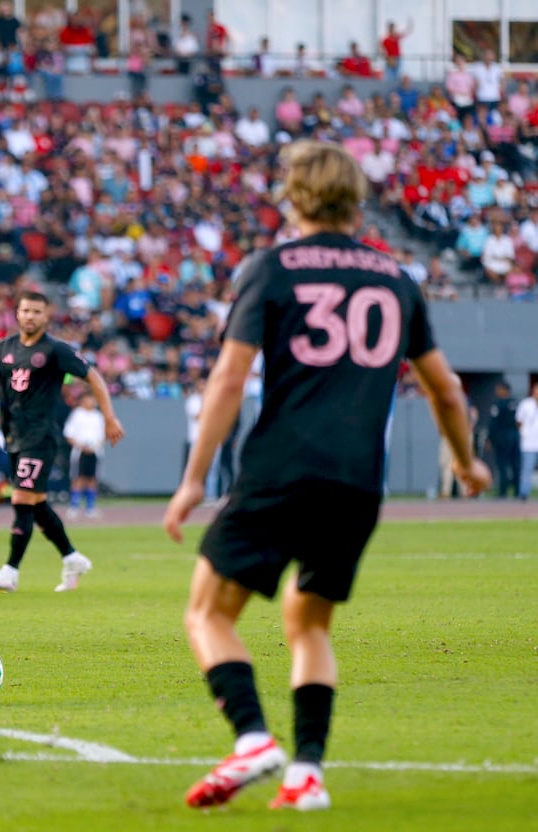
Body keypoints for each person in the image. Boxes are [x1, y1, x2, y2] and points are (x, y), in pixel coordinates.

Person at [162, 141, 492, 812]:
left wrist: (195, 478)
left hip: (283, 466)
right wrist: (464, 461)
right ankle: (306, 774)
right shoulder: (396, 277)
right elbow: (448, 390)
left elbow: (229, 378)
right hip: (358, 480)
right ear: (357, 199)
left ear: (294, 195)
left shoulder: (272, 267)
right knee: (308, 624)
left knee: (207, 612)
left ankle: (253, 738)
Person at [0, 290, 125, 593]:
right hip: (14, 436)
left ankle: (10, 571)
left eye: (36, 311)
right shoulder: (4, 348)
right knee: (37, 503)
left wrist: (109, 417)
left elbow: (93, 377)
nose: (30, 316)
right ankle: (72, 557)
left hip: (41, 437)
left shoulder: (56, 350)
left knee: (21, 499)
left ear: (46, 316)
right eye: (25, 310)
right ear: (17, 314)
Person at [63, 391, 106, 519]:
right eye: (88, 399)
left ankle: (90, 508)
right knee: (78, 478)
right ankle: (74, 507)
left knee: (92, 479)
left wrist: (95, 446)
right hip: (80, 451)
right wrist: (82, 446)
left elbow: (104, 435)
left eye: (93, 400)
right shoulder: (77, 415)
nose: (91, 402)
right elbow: (68, 434)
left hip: (95, 451)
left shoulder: (98, 416)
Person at [486, 381, 520, 498]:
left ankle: (503, 491)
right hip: (515, 436)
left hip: (502, 437)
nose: (497, 392)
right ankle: (517, 491)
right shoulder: (515, 402)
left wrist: (489, 438)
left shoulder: (499, 404)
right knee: (515, 464)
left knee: (502, 464)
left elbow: (493, 423)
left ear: (504, 390)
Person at [517, 381, 538, 501]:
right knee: (527, 469)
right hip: (529, 444)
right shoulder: (526, 404)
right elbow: (518, 420)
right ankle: (524, 493)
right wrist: (524, 432)